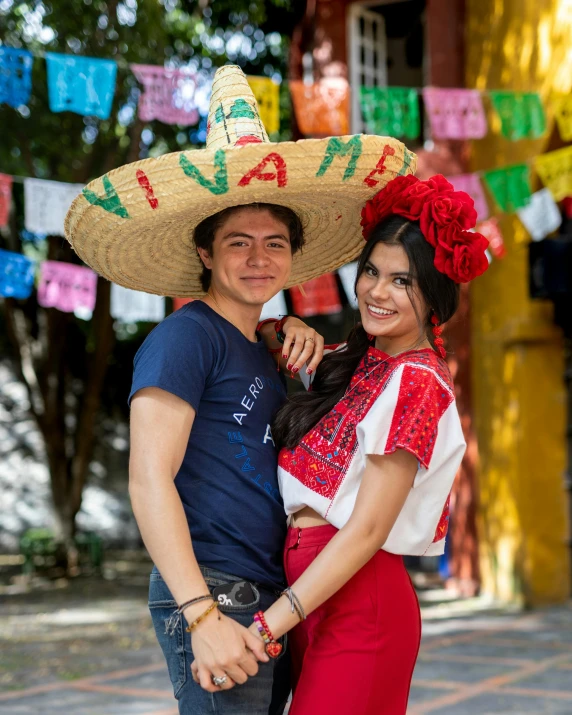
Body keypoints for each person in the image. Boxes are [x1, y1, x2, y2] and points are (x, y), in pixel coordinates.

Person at [63, 63, 417, 715]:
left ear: (293, 255)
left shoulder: (267, 348)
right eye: (238, 242)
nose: (259, 258)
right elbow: (148, 478)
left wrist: (289, 338)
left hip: (273, 594)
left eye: (275, 242)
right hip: (217, 592)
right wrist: (201, 615)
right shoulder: (184, 338)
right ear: (204, 252)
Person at [188, 174, 488, 714]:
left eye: (403, 282)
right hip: (312, 595)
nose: (377, 291)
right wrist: (288, 327)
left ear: (436, 294)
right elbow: (271, 338)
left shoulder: (417, 381)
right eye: (372, 271)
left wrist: (266, 625)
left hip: (358, 597)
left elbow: (369, 529)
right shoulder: (363, 360)